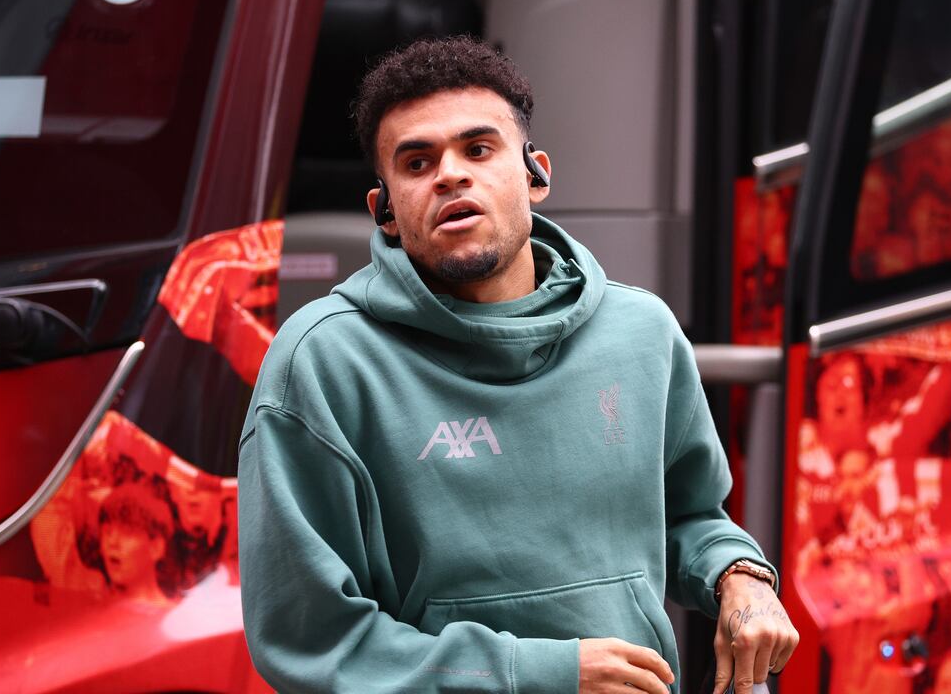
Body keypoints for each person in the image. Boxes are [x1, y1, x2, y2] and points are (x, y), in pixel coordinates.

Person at [237, 36, 797, 694]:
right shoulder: (322, 364)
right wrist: (535, 673)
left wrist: (740, 576)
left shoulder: (641, 333)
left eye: (478, 149)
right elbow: (310, 637)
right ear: (384, 211)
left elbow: (687, 515)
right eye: (417, 162)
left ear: (535, 175)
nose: (450, 174)